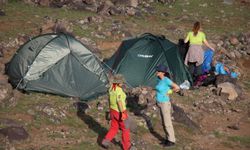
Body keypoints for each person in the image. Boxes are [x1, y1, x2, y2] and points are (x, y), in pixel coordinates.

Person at [102, 74, 131, 150]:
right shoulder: (119, 90)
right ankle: (127, 146)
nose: (123, 84)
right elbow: (119, 102)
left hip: (112, 110)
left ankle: (106, 141)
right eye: (122, 82)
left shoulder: (111, 88)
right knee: (125, 128)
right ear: (119, 82)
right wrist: (123, 113)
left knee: (114, 127)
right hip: (119, 111)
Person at [155, 64, 180, 147]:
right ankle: (167, 138)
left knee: (167, 122)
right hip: (160, 103)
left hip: (165, 103)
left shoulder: (166, 80)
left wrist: (169, 92)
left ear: (162, 72)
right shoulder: (159, 80)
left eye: (158, 71)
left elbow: (177, 87)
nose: (156, 72)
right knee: (164, 122)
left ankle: (171, 140)